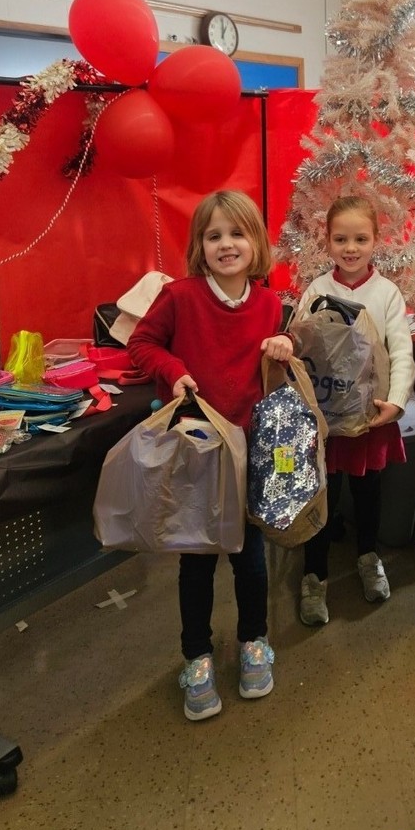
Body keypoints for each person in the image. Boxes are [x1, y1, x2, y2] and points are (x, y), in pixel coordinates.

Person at [127, 190, 293, 721]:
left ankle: (252, 642)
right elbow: (142, 344)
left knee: (250, 559)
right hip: (198, 452)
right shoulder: (180, 296)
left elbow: (278, 362)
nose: (226, 244)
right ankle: (196, 656)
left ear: (256, 243)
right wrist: (173, 371)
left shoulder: (269, 304)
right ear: (200, 245)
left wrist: (283, 346)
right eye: (214, 235)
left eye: (237, 233)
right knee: (196, 560)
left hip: (250, 453)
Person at [294, 195, 415, 625]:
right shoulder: (316, 291)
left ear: (375, 241)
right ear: (326, 242)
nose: (351, 248)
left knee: (368, 494)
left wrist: (397, 401)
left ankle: (368, 557)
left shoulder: (386, 293)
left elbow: (401, 350)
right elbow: (297, 346)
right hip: (325, 422)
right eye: (341, 239)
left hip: (370, 418)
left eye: (360, 239)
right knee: (321, 497)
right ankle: (314, 575)